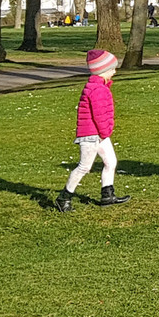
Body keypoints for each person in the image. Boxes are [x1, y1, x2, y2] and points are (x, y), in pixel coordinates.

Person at [57, 51, 130, 211]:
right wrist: (106, 132)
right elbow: (100, 115)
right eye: (112, 69)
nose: (115, 72)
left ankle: (107, 194)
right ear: (103, 71)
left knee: (111, 162)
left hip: (100, 134)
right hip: (91, 135)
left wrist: (104, 133)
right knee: (84, 166)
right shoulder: (97, 90)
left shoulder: (100, 87)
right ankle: (64, 197)